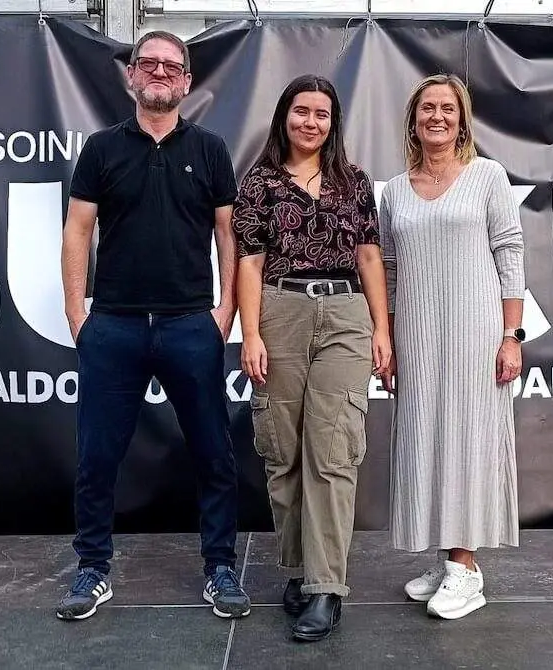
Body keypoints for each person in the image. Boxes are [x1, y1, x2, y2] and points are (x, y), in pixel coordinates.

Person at [55, 30, 250, 622]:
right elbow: (77, 232)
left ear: (187, 82)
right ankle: (92, 568)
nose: (161, 72)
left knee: (215, 453)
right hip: (113, 325)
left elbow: (228, 236)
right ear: (132, 76)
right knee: (96, 456)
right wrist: (76, 313)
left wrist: (225, 313)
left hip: (191, 324)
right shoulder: (101, 149)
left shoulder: (211, 149)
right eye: (150, 63)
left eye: (173, 66)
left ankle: (220, 567)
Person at [233, 74, 390, 641]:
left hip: (345, 312)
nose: (311, 122)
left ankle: (327, 588)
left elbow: (371, 257)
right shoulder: (260, 183)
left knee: (333, 450)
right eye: (301, 111)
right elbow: (248, 262)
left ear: (333, 123)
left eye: (322, 114)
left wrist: (382, 329)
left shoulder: (354, 182)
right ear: (284, 116)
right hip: (281, 312)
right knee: (283, 451)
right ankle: (299, 569)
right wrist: (250, 335)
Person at [377, 73, 526, 621]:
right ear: (413, 120)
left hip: (475, 331)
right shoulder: (394, 190)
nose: (437, 117)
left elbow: (510, 251)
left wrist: (511, 336)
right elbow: (388, 268)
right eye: (427, 109)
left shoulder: (487, 176)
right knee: (426, 440)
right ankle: (448, 559)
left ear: (462, 119)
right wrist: (386, 335)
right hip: (417, 334)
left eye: (448, 108)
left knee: (469, 440)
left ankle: (467, 569)